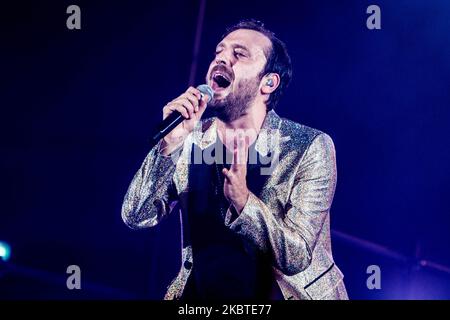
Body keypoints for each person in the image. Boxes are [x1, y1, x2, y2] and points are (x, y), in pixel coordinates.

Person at [121, 19, 348, 300]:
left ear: (268, 82)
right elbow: (137, 215)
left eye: (239, 54)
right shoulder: (190, 139)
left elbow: (298, 255)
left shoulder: (308, 146)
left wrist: (244, 203)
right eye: (219, 53)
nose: (222, 59)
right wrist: (168, 147)